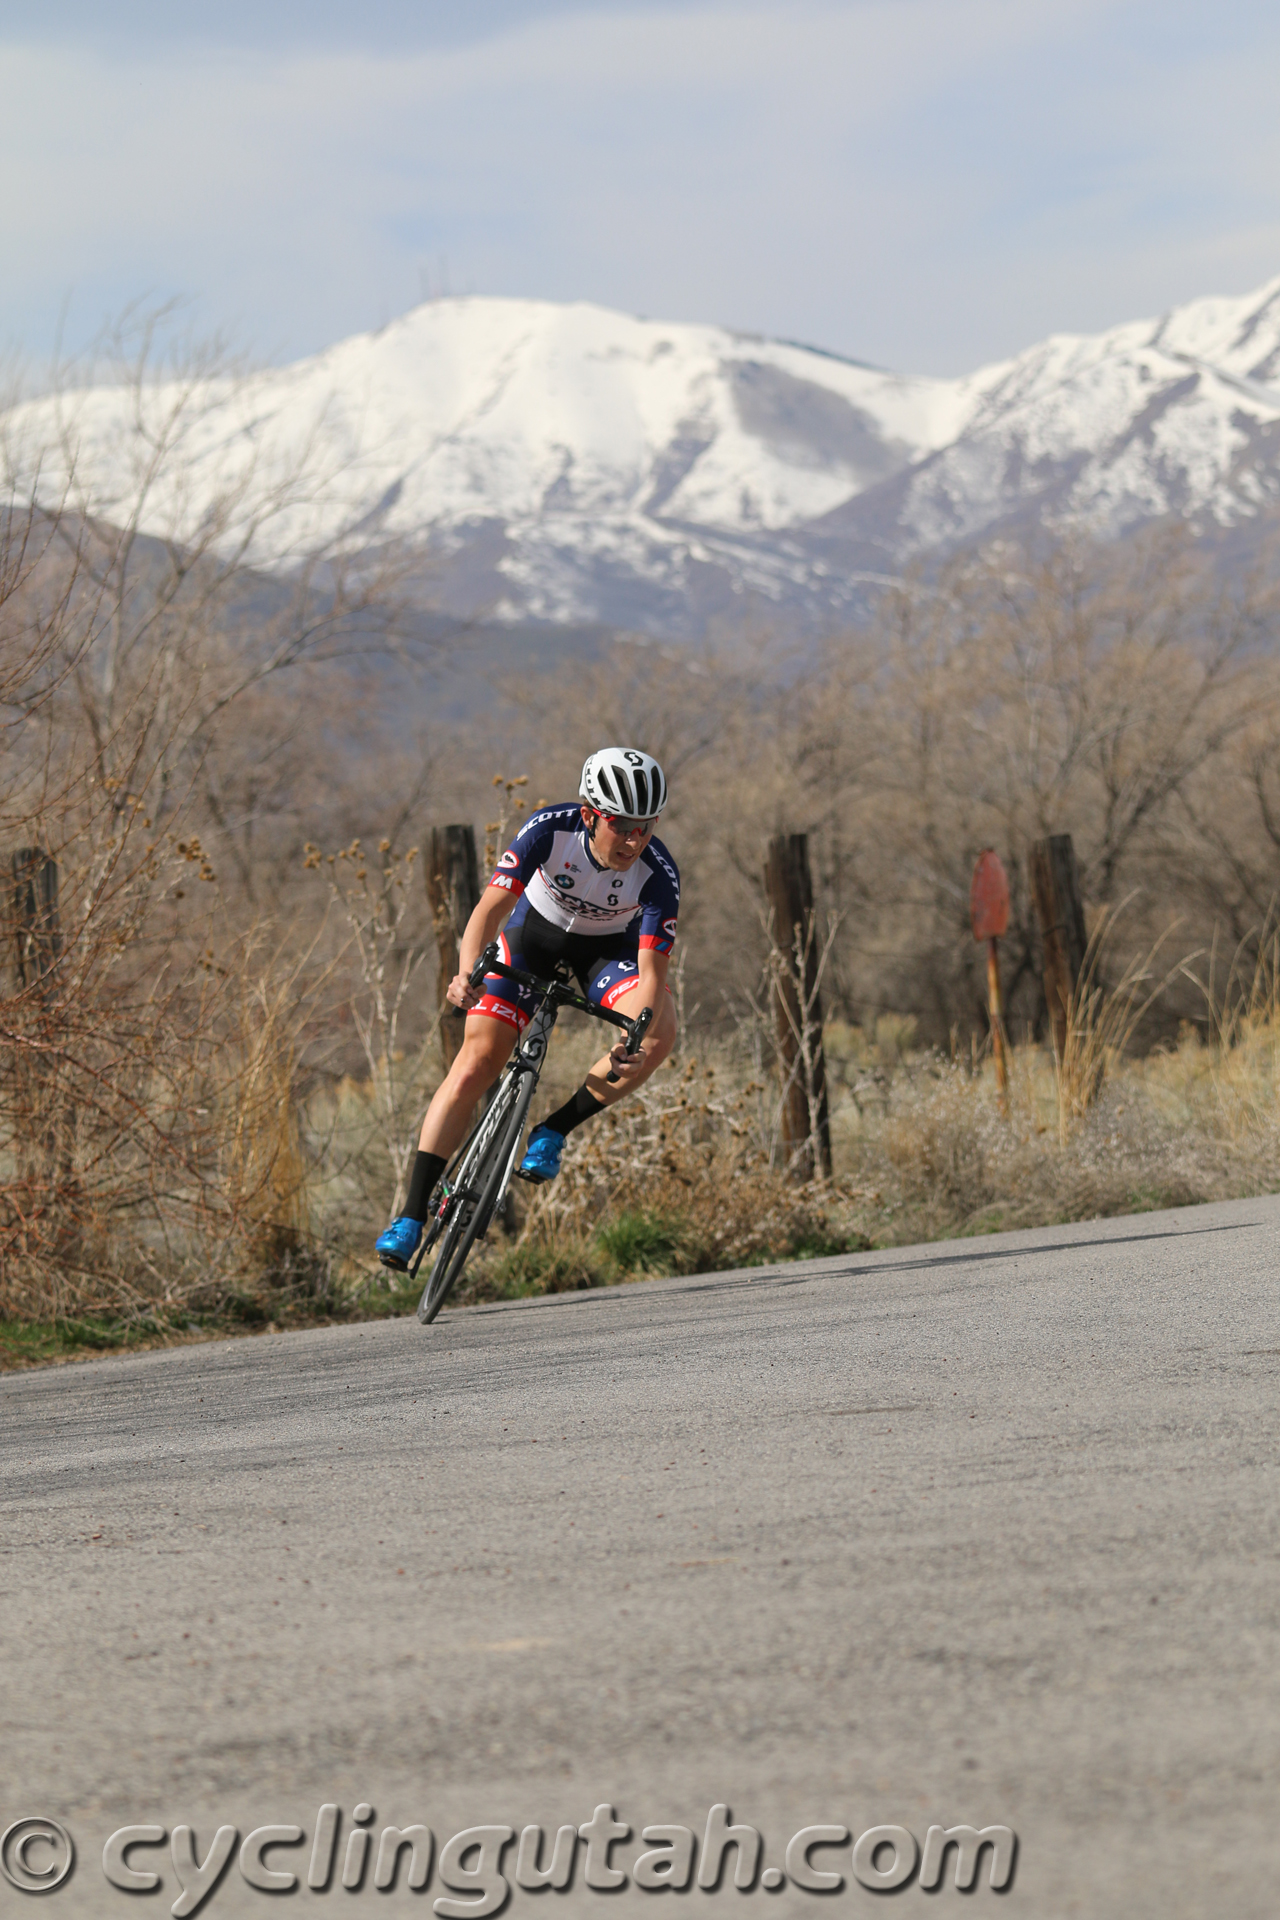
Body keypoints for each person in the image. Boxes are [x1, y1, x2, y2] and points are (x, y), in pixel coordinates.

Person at [375, 747, 680, 1270]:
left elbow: (652, 975)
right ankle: (409, 1216)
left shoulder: (657, 874)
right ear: (590, 815)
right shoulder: (548, 829)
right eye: (621, 825)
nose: (634, 840)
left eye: (645, 827)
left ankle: (552, 1130)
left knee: (659, 1033)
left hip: (606, 954)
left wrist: (633, 1036)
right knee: (477, 1061)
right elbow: (489, 910)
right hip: (530, 938)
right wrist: (467, 973)